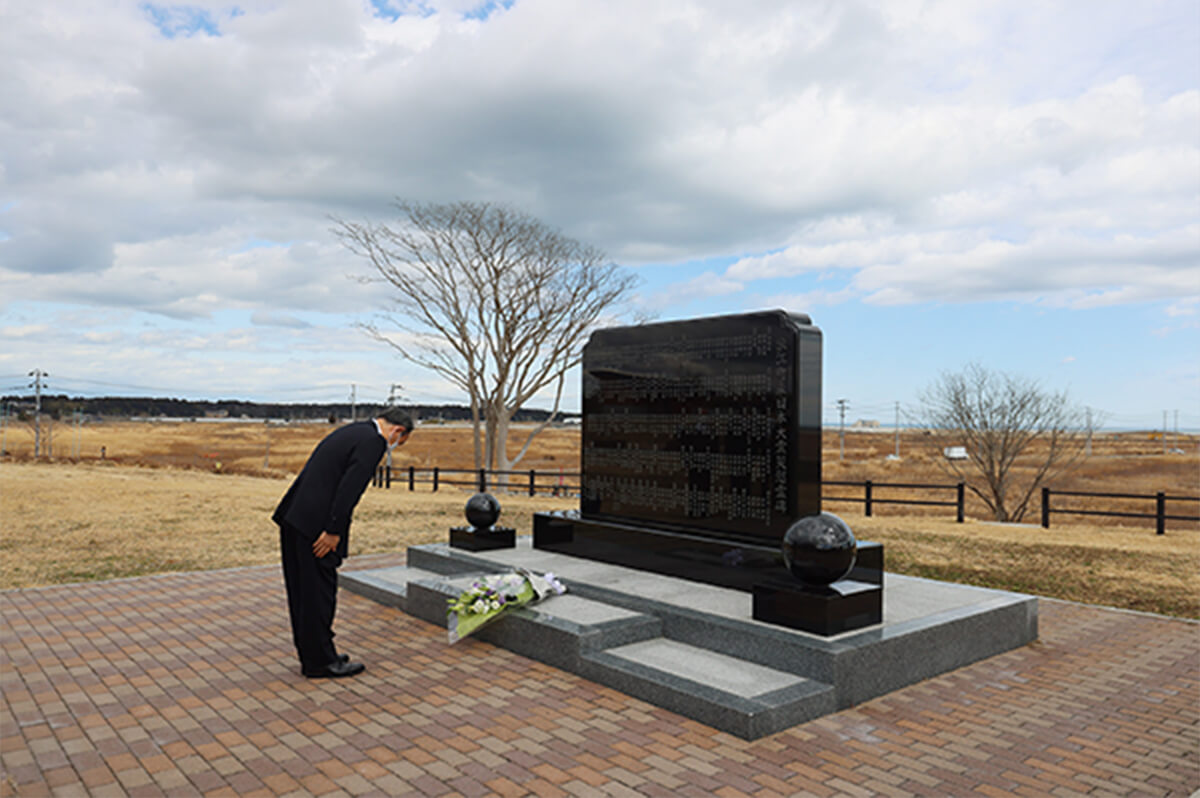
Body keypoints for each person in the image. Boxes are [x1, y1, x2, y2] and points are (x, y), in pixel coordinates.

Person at [273, 408, 412, 678]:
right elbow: (349, 489)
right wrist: (333, 530)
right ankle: (320, 662)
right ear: (397, 431)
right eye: (400, 441)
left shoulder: (352, 431)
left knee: (302, 592)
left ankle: (316, 652)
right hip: (317, 526)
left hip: (296, 516)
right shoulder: (373, 441)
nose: (394, 446)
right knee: (318, 594)